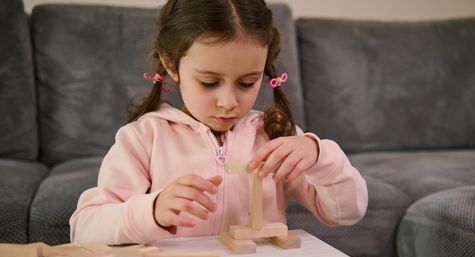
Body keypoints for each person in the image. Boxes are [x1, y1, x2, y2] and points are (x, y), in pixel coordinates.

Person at [70, 0, 368, 244]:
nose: (228, 102)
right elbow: (85, 228)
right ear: (172, 65)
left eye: (247, 83)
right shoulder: (144, 138)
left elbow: (347, 213)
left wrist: (319, 156)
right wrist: (153, 211)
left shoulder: (274, 135)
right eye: (210, 82)